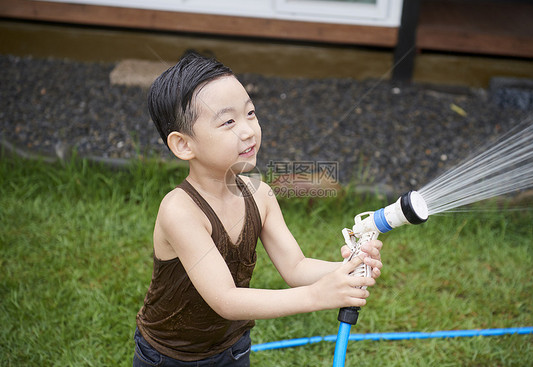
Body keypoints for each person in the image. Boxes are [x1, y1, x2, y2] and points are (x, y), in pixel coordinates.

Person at [133, 52, 383, 367]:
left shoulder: (260, 195)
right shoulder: (181, 211)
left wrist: (345, 269)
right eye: (228, 121)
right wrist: (317, 296)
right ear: (184, 145)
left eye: (250, 113)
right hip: (169, 357)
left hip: (233, 347)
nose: (248, 130)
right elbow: (225, 299)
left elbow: (296, 266)